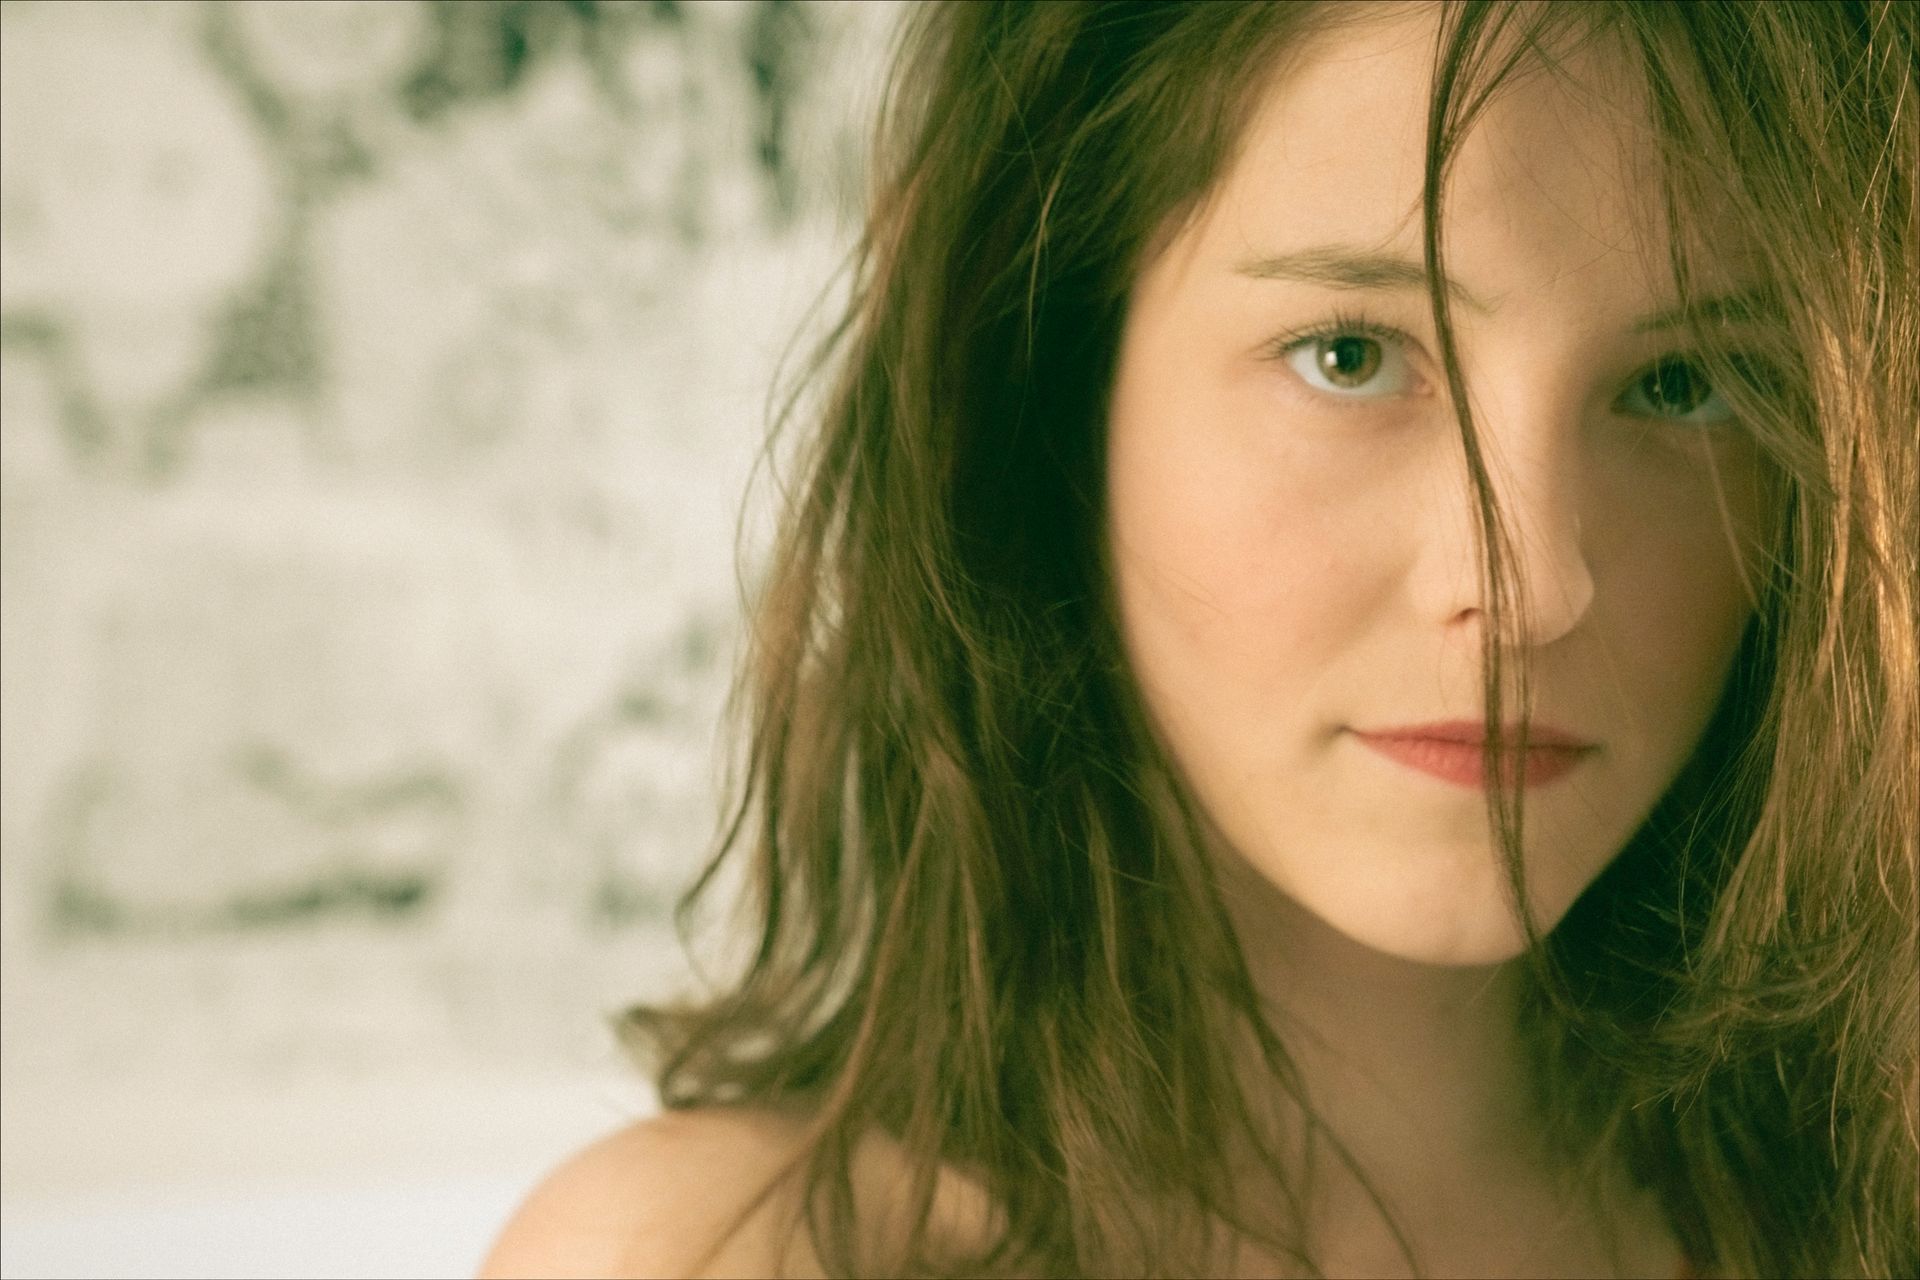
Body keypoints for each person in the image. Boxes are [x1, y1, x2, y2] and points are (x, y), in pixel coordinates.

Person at [480, 2, 1918, 1276]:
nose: (1536, 580)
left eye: (1683, 385)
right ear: (1053, 379)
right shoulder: (725, 1261)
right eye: (1351, 354)